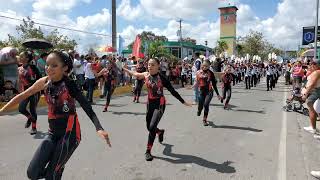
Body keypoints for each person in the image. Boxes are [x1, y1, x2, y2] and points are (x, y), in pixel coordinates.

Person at [0, 50, 111, 180]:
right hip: (52, 133)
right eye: (47, 64)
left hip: (70, 135)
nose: (49, 68)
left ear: (64, 68)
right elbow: (23, 95)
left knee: (51, 176)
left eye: (54, 65)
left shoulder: (69, 84)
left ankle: (55, 171)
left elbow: (87, 107)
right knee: (32, 173)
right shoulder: (44, 81)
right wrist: (2, 111)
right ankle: (56, 171)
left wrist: (99, 128)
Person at [123, 58, 192, 161]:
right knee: (149, 127)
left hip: (159, 104)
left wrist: (183, 102)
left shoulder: (162, 78)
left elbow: (173, 91)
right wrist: (125, 69)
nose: (150, 66)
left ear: (158, 66)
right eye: (149, 64)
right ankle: (159, 132)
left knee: (151, 127)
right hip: (149, 103)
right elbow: (136, 74)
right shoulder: (146, 75)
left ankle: (148, 151)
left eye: (152, 65)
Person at [18, 51, 42, 135]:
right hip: (25, 91)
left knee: (32, 109)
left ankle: (34, 128)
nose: (19, 58)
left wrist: (33, 80)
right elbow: (20, 81)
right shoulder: (19, 68)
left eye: (21, 56)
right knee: (21, 109)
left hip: (34, 90)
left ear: (27, 59)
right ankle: (30, 118)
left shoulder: (33, 67)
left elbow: (40, 79)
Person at [194, 60, 221, 126]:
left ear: (209, 66)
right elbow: (196, 82)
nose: (204, 67)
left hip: (209, 91)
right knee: (200, 105)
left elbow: (214, 84)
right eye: (203, 65)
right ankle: (199, 110)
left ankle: (204, 119)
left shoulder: (210, 73)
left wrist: (218, 94)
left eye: (206, 66)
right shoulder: (198, 72)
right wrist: (193, 86)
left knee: (206, 104)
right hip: (201, 92)